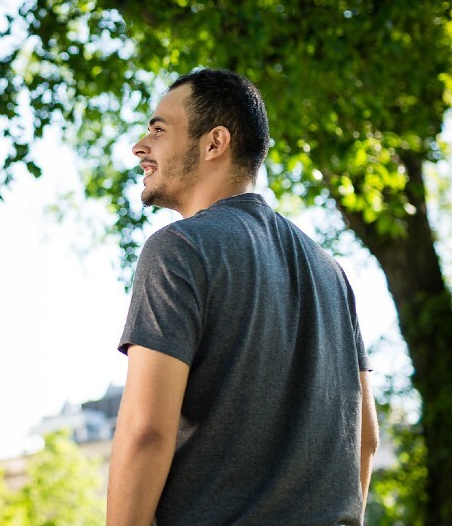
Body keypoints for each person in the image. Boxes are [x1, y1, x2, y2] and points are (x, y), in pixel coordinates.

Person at [107, 69, 379, 526]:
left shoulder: (178, 250)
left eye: (158, 130)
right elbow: (365, 438)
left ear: (215, 143)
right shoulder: (332, 273)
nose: (140, 146)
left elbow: (146, 432)